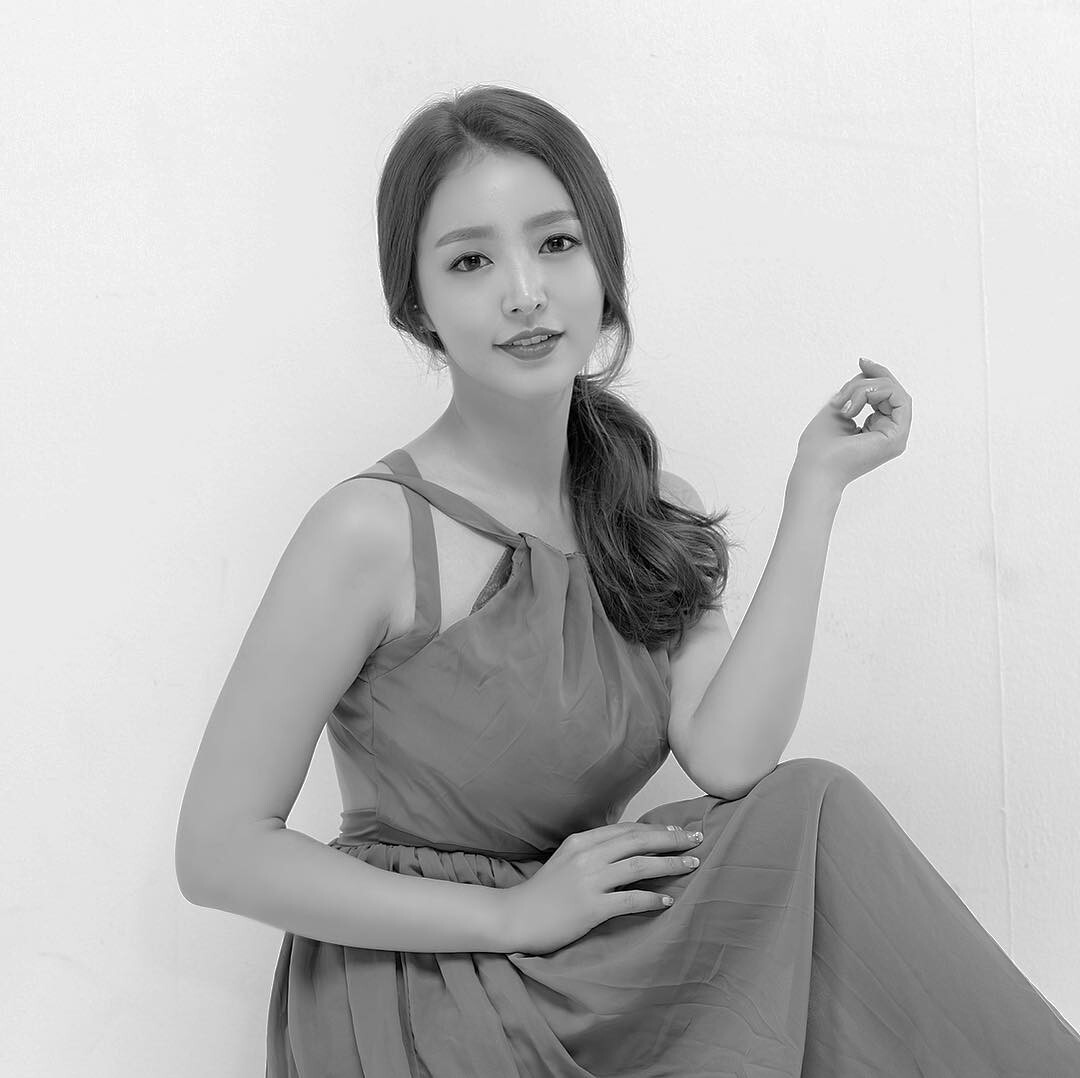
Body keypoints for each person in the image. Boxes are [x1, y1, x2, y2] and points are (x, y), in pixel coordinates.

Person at [175, 85, 1080, 1076]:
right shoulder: (371, 528)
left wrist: (815, 486)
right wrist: (512, 913)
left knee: (814, 809)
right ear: (415, 304)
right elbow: (218, 850)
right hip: (420, 986)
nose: (525, 292)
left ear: (604, 265)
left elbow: (731, 760)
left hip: (584, 953)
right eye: (472, 261)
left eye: (557, 243)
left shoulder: (642, 507)